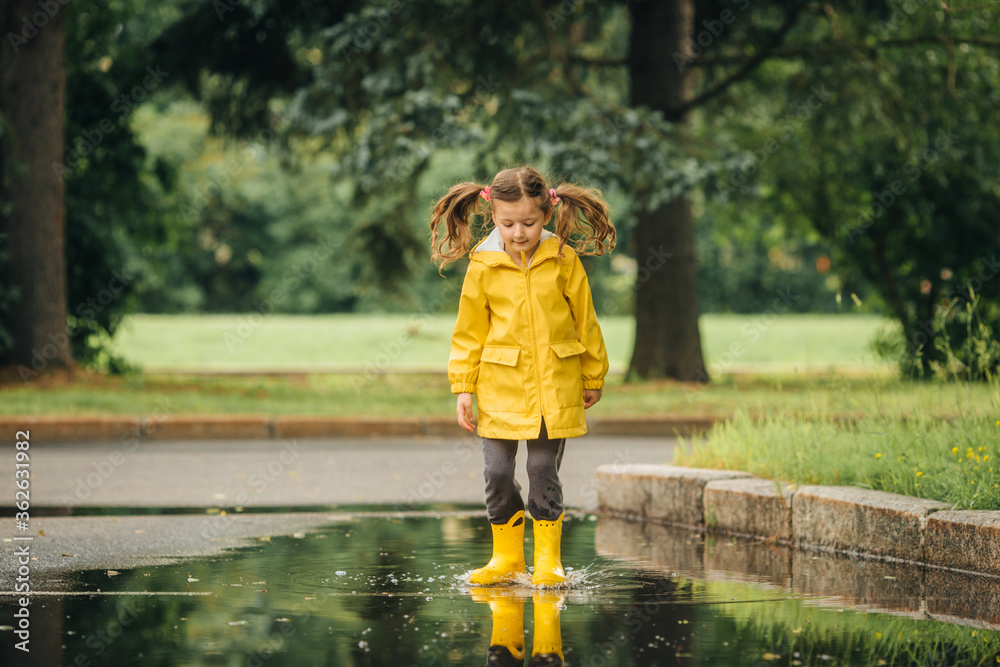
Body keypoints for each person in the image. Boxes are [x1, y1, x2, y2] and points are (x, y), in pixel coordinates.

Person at [429, 165, 615, 587]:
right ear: (491, 215)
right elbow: (469, 331)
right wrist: (463, 387)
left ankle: (548, 561)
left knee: (541, 469)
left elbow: (586, 321)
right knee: (496, 472)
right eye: (506, 223)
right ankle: (506, 558)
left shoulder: (564, 258)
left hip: (555, 384)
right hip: (499, 387)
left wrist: (593, 374)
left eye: (528, 223)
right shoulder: (483, 263)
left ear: (546, 215)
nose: (517, 232)